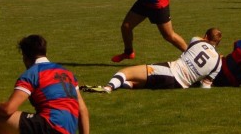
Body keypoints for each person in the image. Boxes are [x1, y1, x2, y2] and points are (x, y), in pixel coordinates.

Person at [0, 35, 90, 134]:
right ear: (45, 53)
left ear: (25, 57)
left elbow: (8, 109)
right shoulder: (66, 73)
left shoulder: (32, 73)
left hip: (50, 129)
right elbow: (82, 110)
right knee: (15, 122)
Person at [83, 28, 222, 92]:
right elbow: (205, 86)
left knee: (125, 72)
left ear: (205, 36)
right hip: (179, 85)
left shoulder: (197, 41)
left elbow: (197, 41)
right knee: (134, 83)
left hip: (171, 72)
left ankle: (108, 88)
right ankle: (122, 86)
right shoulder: (218, 63)